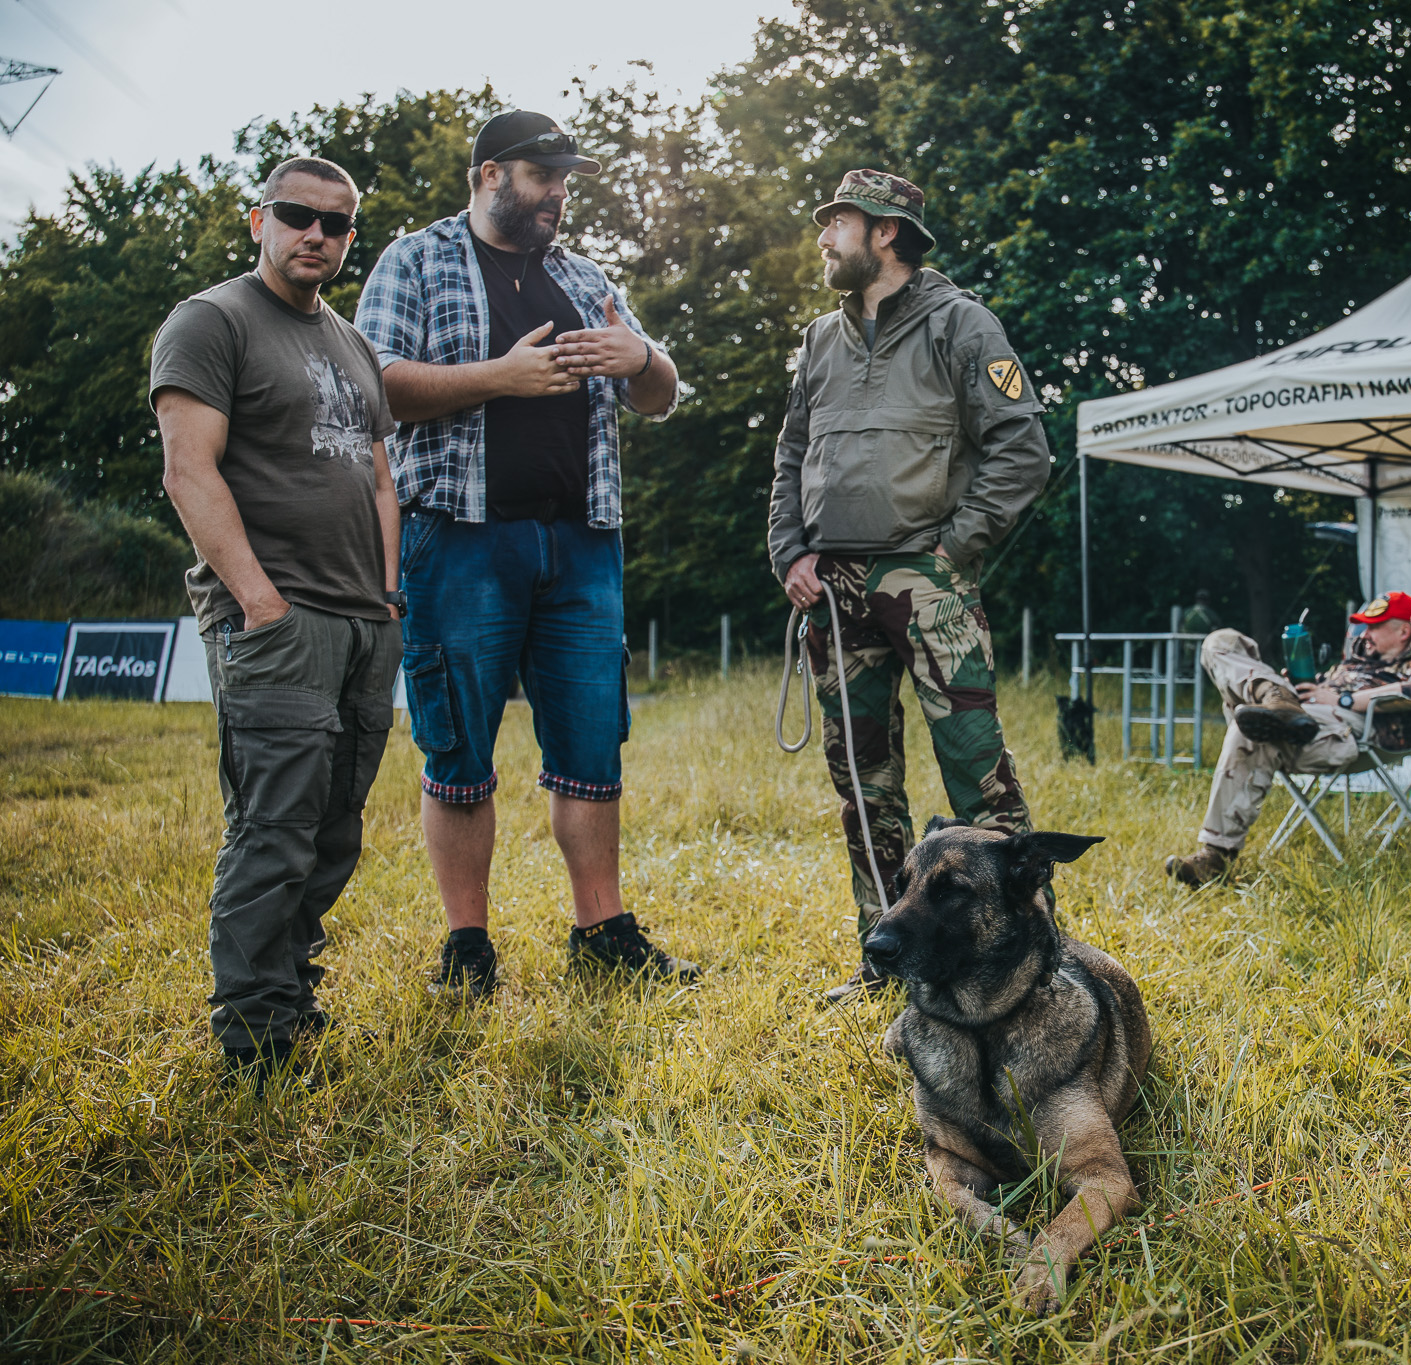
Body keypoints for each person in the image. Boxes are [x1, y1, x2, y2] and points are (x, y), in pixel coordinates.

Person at [356, 111, 690, 997]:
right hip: (459, 538)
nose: (558, 196)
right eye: (543, 178)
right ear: (490, 174)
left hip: (582, 542)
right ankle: (468, 944)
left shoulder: (584, 276)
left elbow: (659, 396)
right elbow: (376, 385)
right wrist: (494, 377)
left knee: (591, 742)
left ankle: (602, 928)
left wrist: (641, 354)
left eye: (566, 181)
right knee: (458, 746)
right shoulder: (415, 259)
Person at [768, 169, 1050, 1002]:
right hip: (831, 591)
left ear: (886, 232)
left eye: (838, 222)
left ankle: (1029, 961)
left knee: (978, 780)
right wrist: (790, 549)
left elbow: (1022, 451)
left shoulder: (962, 325)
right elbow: (789, 455)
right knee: (864, 787)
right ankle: (885, 960)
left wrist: (953, 553)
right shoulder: (820, 339)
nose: (823, 237)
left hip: (927, 585)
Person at [153, 156, 403, 1087]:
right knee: (275, 826)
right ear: (259, 219)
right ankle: (254, 1037)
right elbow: (189, 469)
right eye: (298, 216)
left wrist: (386, 597)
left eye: (337, 225)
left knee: (335, 828)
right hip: (277, 619)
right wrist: (260, 600)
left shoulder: (349, 340)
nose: (317, 235)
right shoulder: (212, 320)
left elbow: (379, 473)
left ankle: (291, 997)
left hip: (362, 622)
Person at [1165, 592, 1411, 886]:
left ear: (1404, 631)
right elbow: (1321, 688)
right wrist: (1298, 686)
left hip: (1348, 732)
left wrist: (1342, 699)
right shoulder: (1354, 662)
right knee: (1219, 642)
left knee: (1246, 730)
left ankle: (1216, 856)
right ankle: (1274, 696)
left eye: (1374, 626)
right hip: (1302, 718)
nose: (1365, 633)